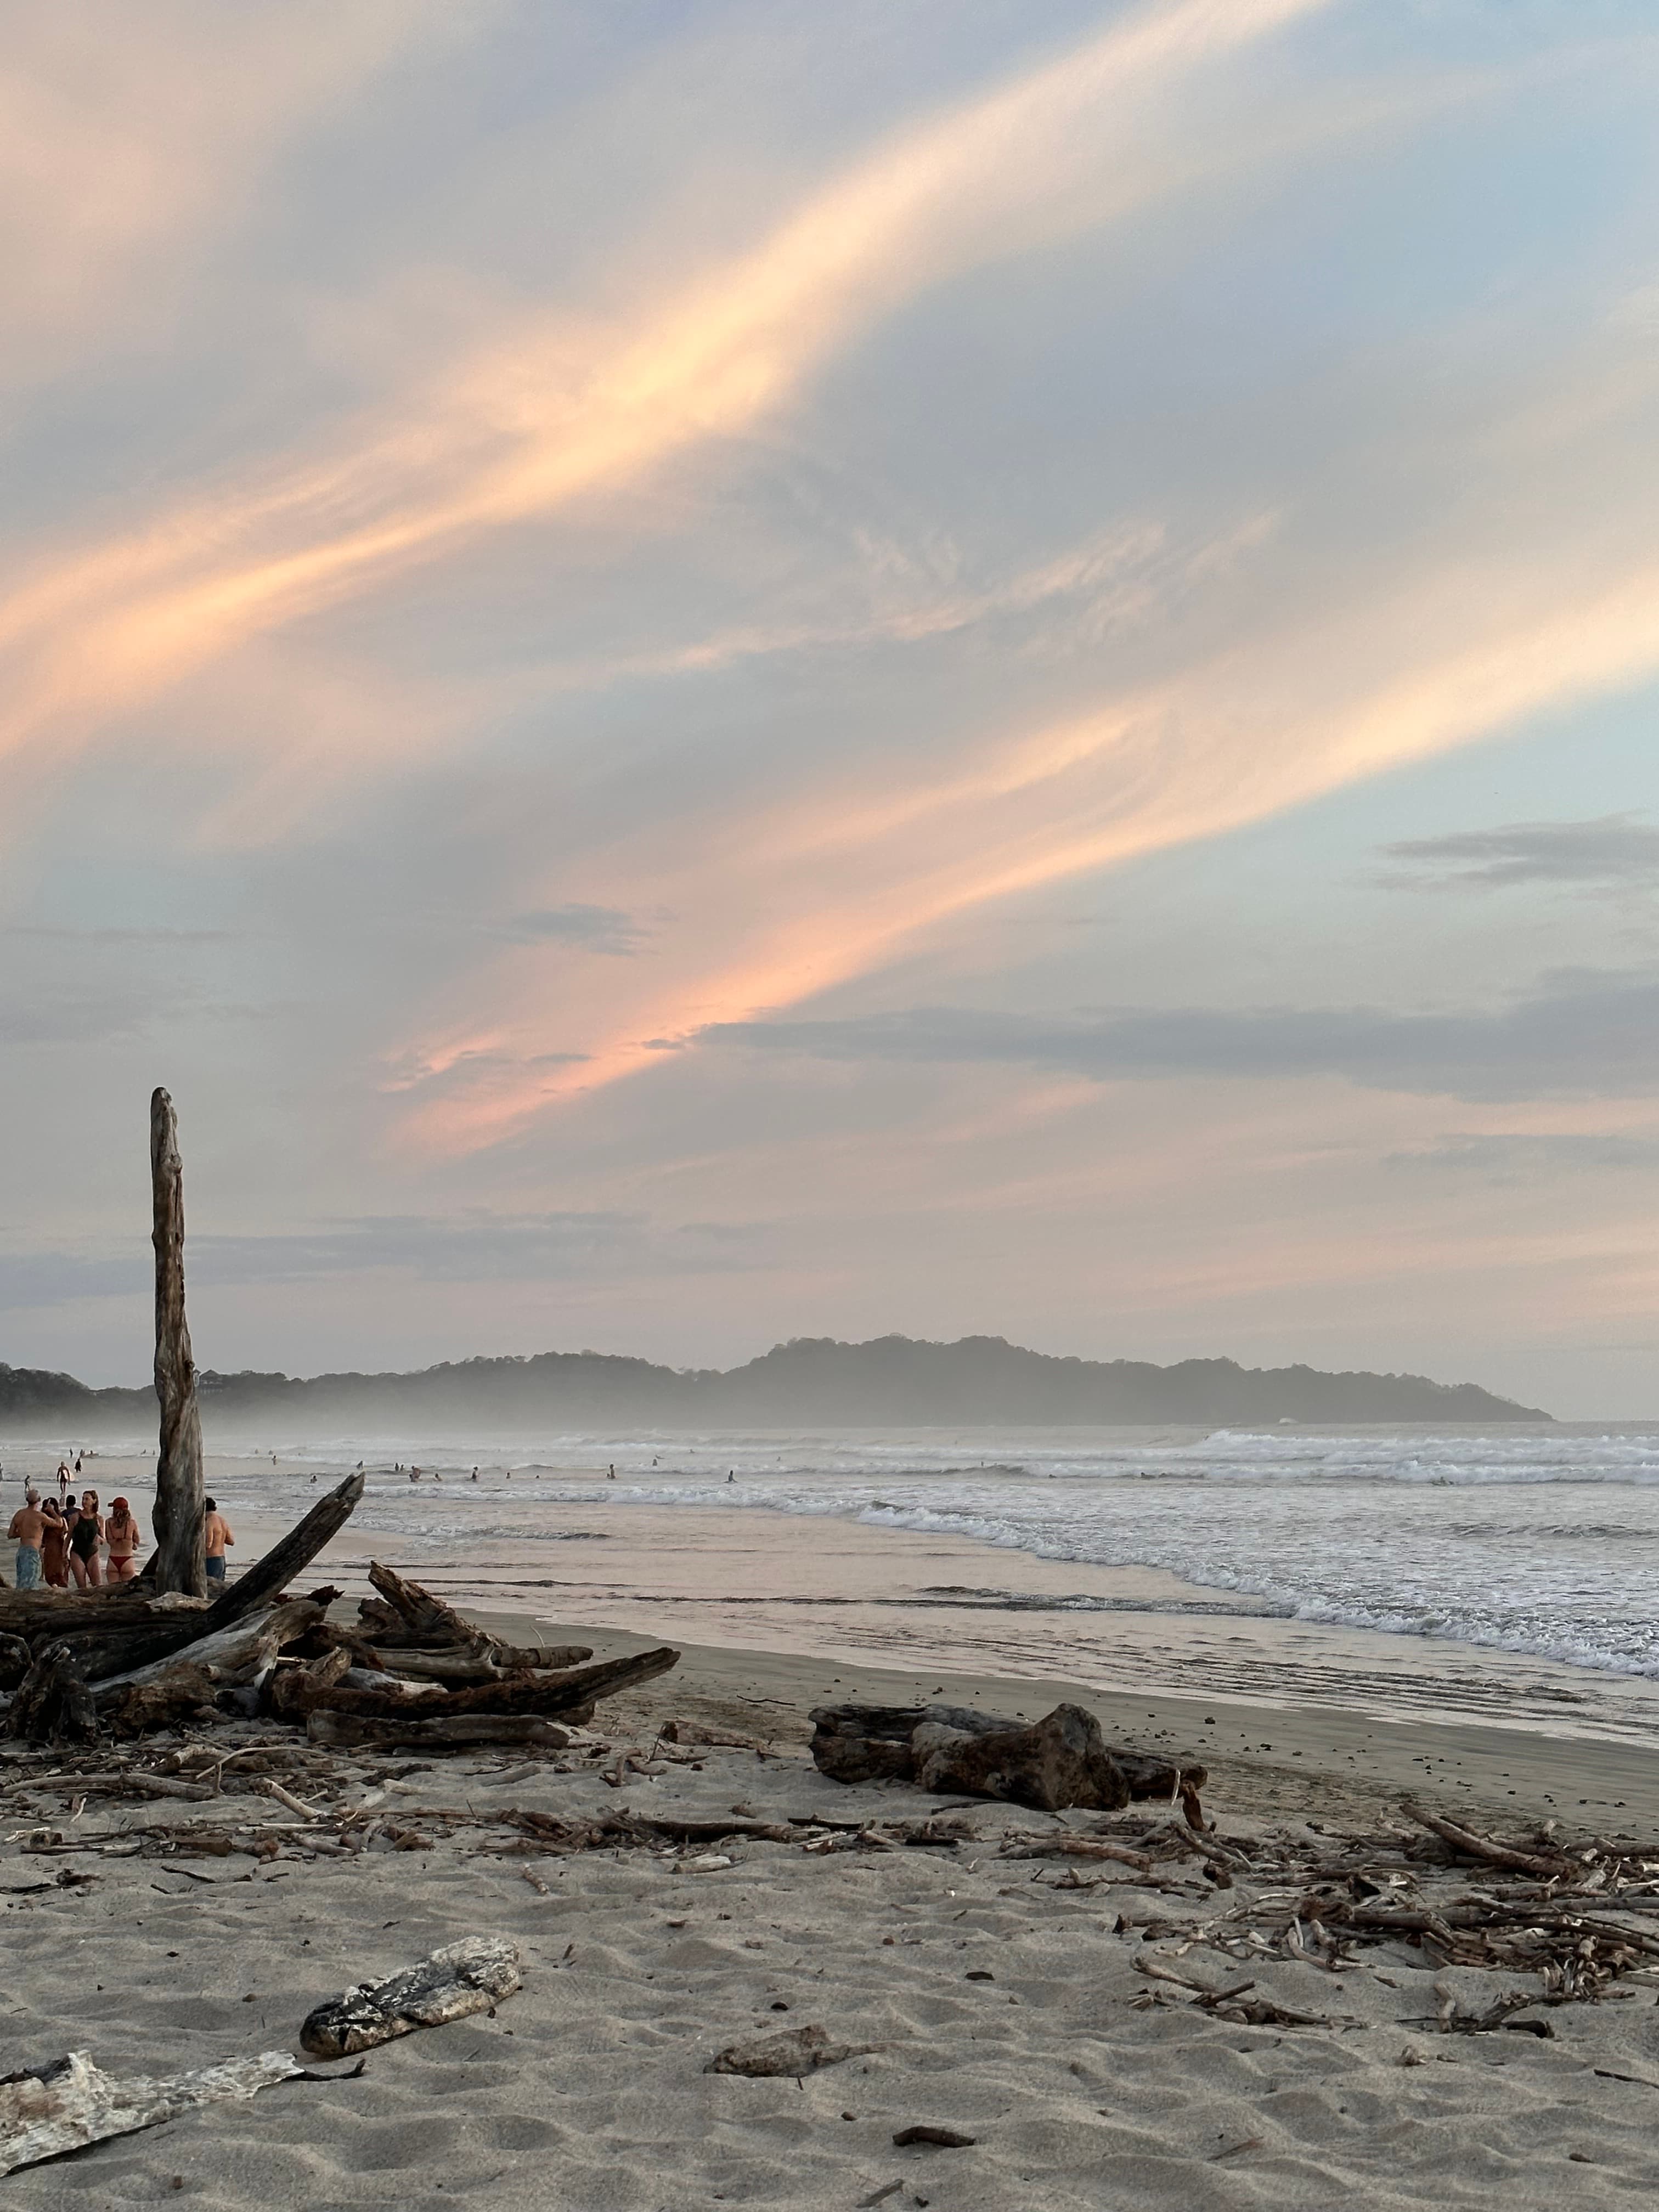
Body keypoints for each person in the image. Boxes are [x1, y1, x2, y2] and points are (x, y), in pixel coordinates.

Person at [8, 1489, 45, 1589]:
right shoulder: (40, 1516)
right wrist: (52, 1511)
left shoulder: (19, 1514)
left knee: (21, 1582)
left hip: (22, 1551)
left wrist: (23, 1532)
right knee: (30, 1585)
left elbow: (10, 1534)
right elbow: (59, 1524)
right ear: (39, 1500)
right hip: (32, 1551)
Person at [67, 1490, 103, 1589]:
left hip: (92, 1553)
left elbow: (104, 1539)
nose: (84, 1502)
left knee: (98, 1586)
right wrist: (63, 1554)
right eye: (83, 1499)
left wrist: (100, 1539)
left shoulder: (99, 1519)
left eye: (87, 1499)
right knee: (82, 1587)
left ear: (94, 1501)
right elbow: (69, 1537)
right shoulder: (75, 1517)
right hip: (77, 1553)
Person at [104, 1496, 143, 1582]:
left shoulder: (108, 1523)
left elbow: (108, 1539)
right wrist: (133, 1545)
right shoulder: (132, 1523)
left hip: (113, 1559)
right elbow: (137, 1541)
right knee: (127, 1591)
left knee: (113, 1590)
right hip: (127, 1559)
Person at [39, 1498, 70, 1588]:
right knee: (56, 1575)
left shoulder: (50, 1520)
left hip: (54, 1549)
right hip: (56, 1549)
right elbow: (66, 1531)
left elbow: (63, 1528)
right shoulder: (47, 1520)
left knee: (54, 1575)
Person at [204, 1498, 235, 1581]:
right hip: (222, 1558)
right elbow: (231, 1541)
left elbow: (208, 1544)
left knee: (210, 1587)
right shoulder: (223, 1520)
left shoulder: (210, 1522)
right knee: (220, 1585)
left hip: (211, 1559)